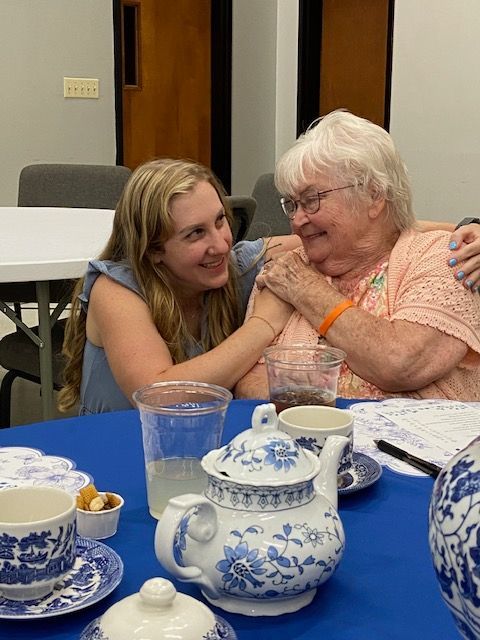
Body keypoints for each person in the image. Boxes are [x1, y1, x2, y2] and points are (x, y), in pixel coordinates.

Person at [235, 110, 480, 401]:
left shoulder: (445, 258)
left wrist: (306, 290)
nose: (297, 220)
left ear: (374, 196)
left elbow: (399, 363)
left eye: (311, 200)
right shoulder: (284, 270)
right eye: (292, 204)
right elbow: (248, 382)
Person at [58, 158, 299, 414]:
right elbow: (157, 396)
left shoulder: (234, 266)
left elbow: (325, 242)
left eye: (219, 221)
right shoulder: (115, 291)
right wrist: (265, 324)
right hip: (115, 444)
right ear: (152, 249)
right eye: (195, 233)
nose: (221, 245)